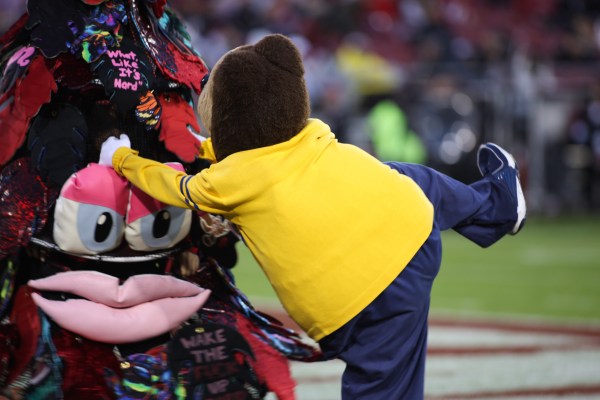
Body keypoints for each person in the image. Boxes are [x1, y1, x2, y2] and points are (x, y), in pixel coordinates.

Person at [99, 33, 526, 399]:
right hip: (410, 224)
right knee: (409, 178)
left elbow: (177, 185)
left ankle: (496, 208)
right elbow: (257, 153)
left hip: (358, 301)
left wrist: (121, 158)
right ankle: (496, 206)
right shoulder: (310, 132)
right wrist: (209, 150)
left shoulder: (227, 182)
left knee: (382, 383)